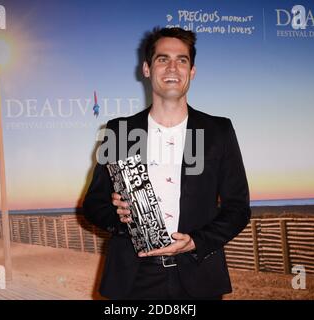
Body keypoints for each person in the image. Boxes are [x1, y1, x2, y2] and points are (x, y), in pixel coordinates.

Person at [83, 27, 251, 300]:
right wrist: (121, 218)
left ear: (192, 71)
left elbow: (238, 208)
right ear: (147, 69)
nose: (172, 67)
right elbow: (94, 204)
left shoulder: (219, 130)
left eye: (181, 60)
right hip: (133, 278)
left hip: (198, 277)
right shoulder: (119, 131)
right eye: (163, 59)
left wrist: (196, 242)